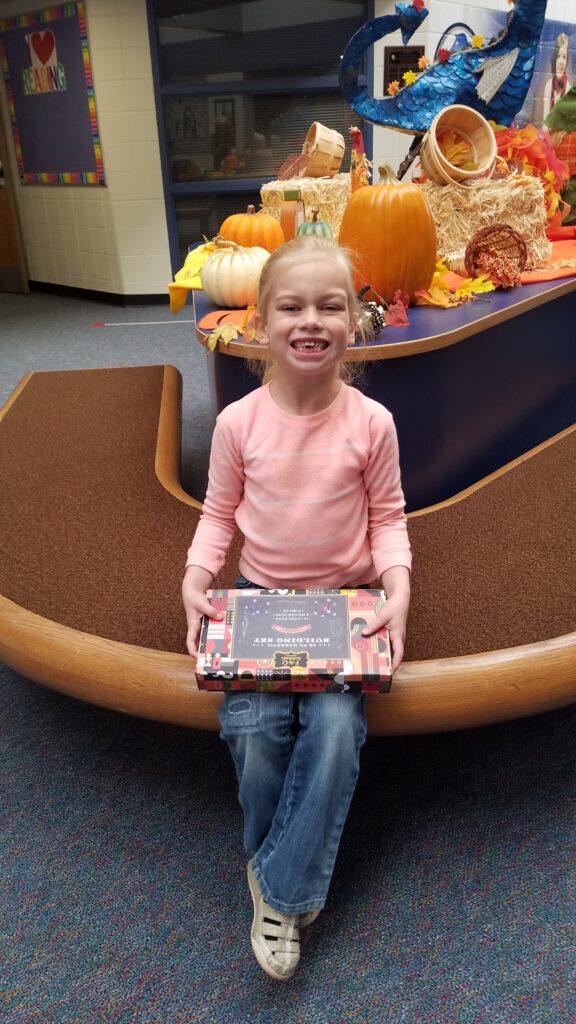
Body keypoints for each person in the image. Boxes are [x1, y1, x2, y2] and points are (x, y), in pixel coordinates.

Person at [182, 236, 412, 981]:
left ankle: (276, 891)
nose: (310, 320)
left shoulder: (371, 424)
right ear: (261, 320)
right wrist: (195, 576)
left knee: (339, 730)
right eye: (291, 305)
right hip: (257, 601)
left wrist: (399, 591)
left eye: (330, 305)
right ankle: (290, 871)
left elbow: (389, 519)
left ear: (354, 321)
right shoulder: (238, 424)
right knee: (253, 729)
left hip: (344, 608)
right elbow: (219, 514)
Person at [544, 32, 571, 119]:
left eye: (564, 57)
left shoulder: (569, 89)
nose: (561, 62)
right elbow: (546, 119)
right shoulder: (549, 85)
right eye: (558, 56)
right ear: (554, 59)